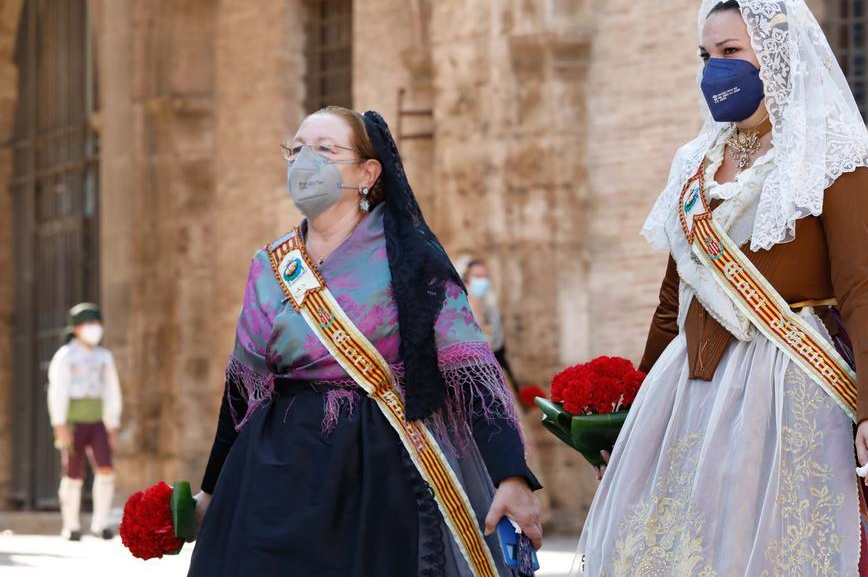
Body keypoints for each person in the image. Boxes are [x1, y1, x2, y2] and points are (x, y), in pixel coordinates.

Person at [577, 0, 868, 575]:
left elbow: (866, 284)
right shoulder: (696, 162)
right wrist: (627, 410)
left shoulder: (831, 154)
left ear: (775, 55)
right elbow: (672, 297)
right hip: (692, 383)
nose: (715, 69)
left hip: (792, 384)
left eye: (731, 53)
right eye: (706, 56)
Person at [189, 107, 542, 576]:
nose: (303, 161)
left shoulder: (412, 258)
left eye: (324, 150)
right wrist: (211, 491)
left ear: (368, 173)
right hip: (273, 472)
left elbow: (469, 373)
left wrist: (511, 475)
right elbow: (242, 390)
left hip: (378, 471)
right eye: (296, 150)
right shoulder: (270, 266)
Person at [47, 302, 122, 541]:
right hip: (74, 421)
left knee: (106, 468)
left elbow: (112, 390)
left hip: (97, 420)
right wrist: (60, 424)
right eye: (89, 324)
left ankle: (100, 522)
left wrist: (112, 423)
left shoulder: (104, 357)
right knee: (73, 471)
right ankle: (71, 525)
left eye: (97, 324)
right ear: (77, 329)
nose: (94, 329)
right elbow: (58, 391)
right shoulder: (65, 357)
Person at [457, 257, 519, 389]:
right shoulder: (457, 313)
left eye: (486, 277)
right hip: (467, 379)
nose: (483, 281)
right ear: (465, 279)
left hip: (493, 376)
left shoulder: (492, 313)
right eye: (478, 276)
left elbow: (499, 352)